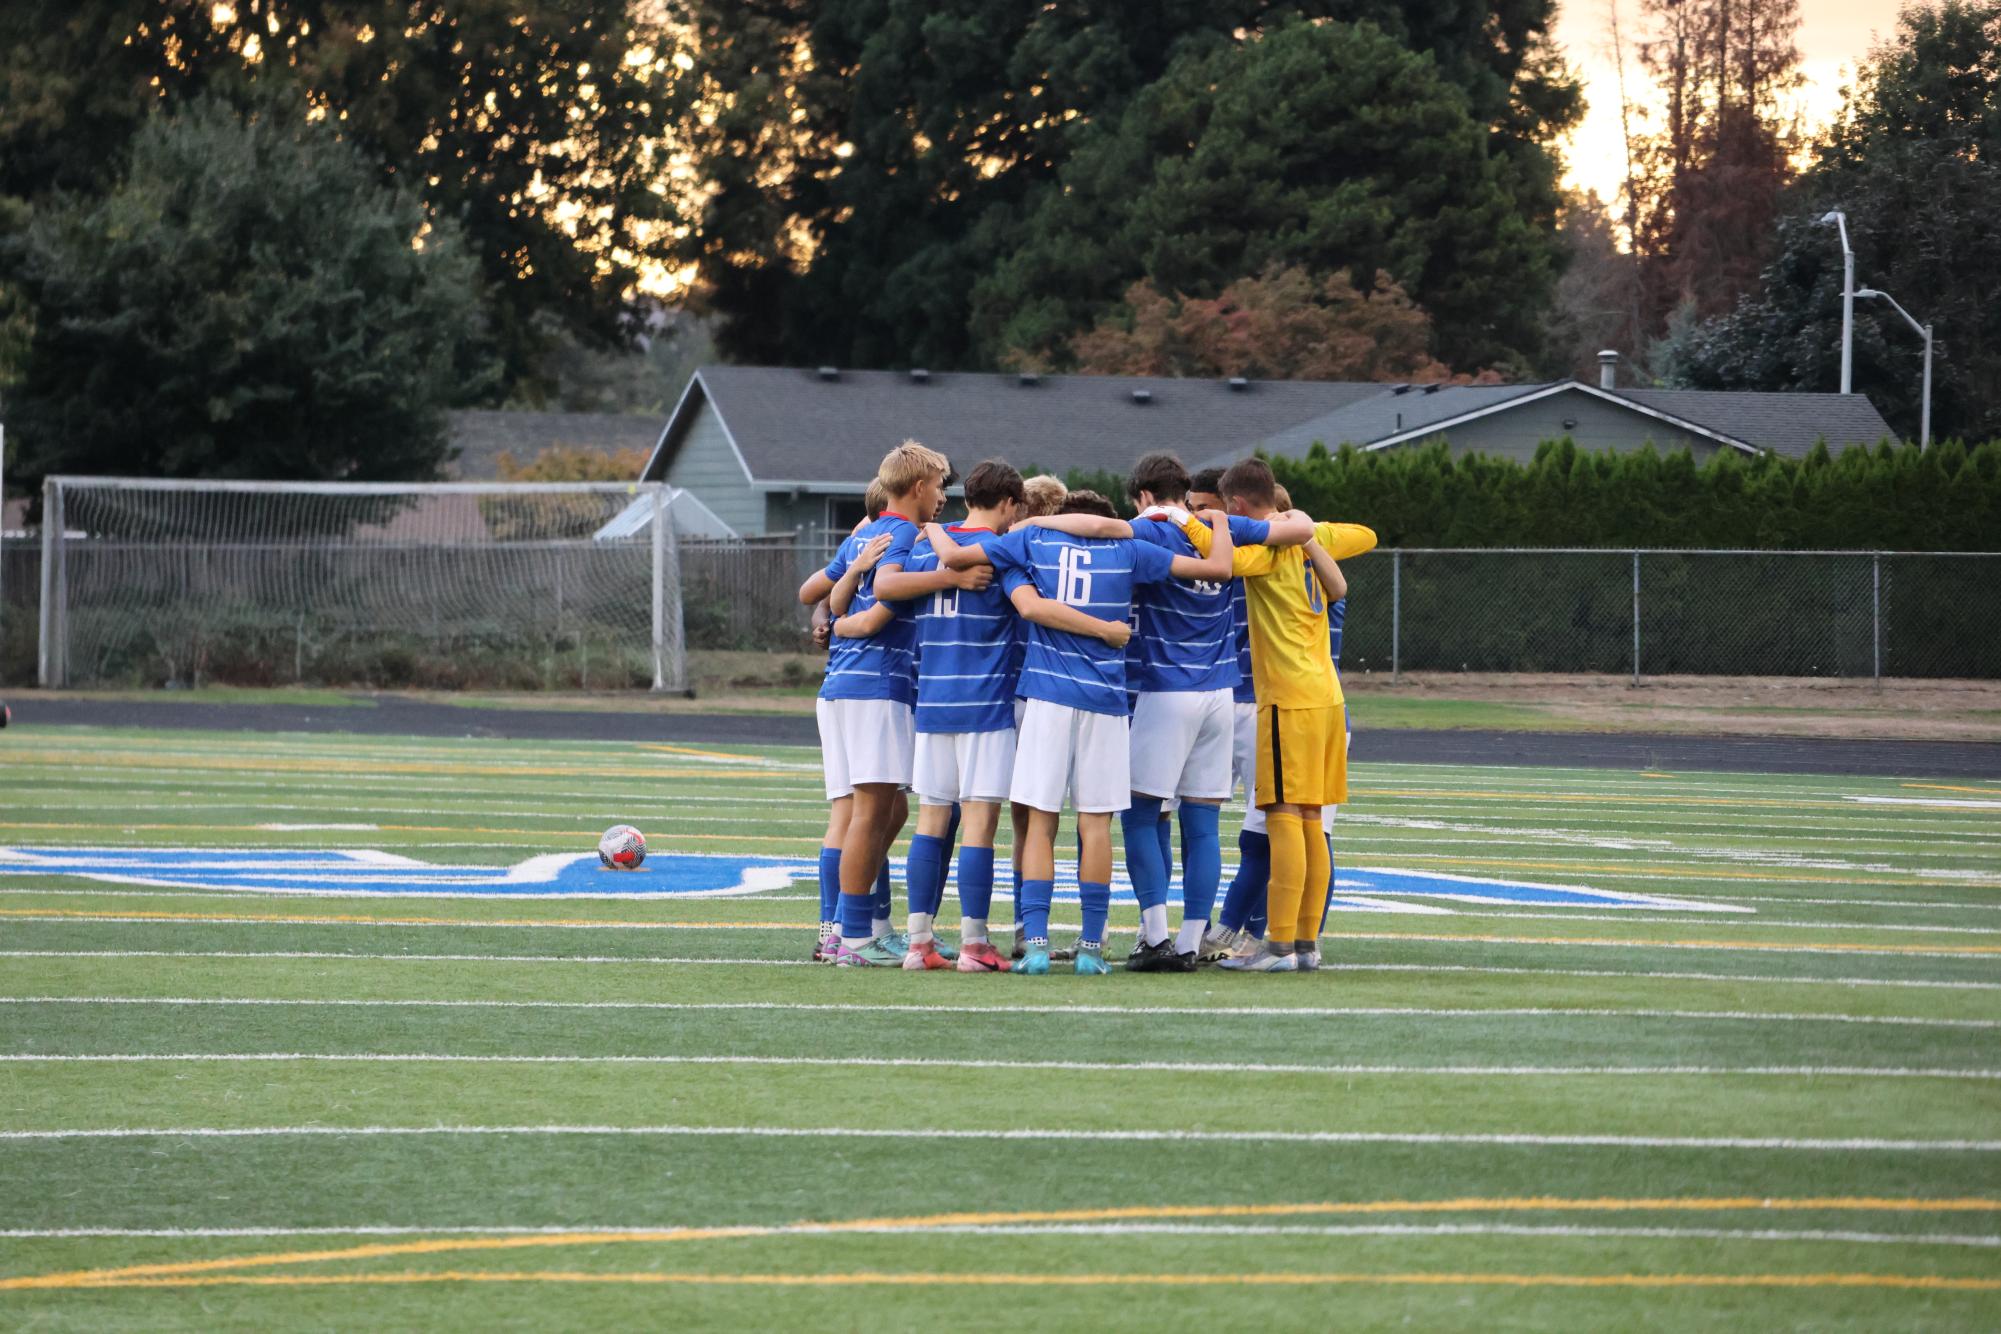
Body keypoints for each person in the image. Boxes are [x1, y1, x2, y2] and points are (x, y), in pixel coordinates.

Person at [929, 491, 1233, 975]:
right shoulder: (1129, 549)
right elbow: (1218, 570)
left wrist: (931, 525)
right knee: (1095, 826)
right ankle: (1092, 945)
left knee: (1040, 822)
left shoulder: (1032, 538)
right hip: (1107, 701)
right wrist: (1216, 521)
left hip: (1047, 698)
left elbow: (953, 557)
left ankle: (1036, 942)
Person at [845, 462, 1133, 971]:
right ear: (1008, 505)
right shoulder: (1003, 553)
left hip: (931, 702)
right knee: (979, 825)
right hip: (986, 703)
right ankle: (975, 944)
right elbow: (1030, 609)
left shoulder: (924, 543)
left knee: (931, 822)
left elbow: (887, 588)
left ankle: (919, 943)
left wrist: (934, 542)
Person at [798, 441, 988, 967]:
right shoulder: (905, 532)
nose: (942, 497)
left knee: (877, 810)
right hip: (876, 685)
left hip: (842, 686)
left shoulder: (867, 531)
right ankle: (853, 934)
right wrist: (951, 576)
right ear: (920, 487)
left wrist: (837, 617)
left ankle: (849, 928)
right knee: (872, 811)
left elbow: (821, 594)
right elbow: (883, 592)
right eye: (939, 486)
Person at [1120, 452, 1312, 970]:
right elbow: (1296, 529)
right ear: (1184, 492)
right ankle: (1189, 941)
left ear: (1142, 495)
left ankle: (1156, 936)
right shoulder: (1215, 526)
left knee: (1139, 815)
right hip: (1221, 693)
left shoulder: (1143, 531)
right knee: (1202, 824)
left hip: (1164, 689)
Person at [1212, 458, 1374, 973]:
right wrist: (1308, 534)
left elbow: (1217, 558)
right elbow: (1366, 535)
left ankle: (1279, 943)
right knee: (1310, 822)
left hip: (1288, 700)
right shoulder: (1313, 544)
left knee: (1283, 818)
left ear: (1241, 506)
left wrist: (1187, 521)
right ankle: (1304, 943)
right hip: (1329, 699)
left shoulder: (1265, 553)